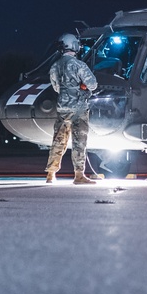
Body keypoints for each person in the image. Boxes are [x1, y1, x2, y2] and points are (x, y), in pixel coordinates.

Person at [46, 33, 99, 184]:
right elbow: (93, 85)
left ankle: (51, 174)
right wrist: (81, 87)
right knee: (79, 142)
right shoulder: (78, 65)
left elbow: (56, 87)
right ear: (73, 46)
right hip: (79, 108)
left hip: (62, 107)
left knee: (58, 140)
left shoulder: (55, 66)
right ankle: (79, 175)